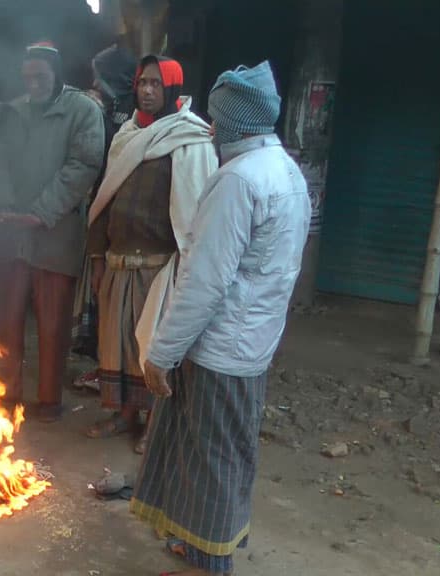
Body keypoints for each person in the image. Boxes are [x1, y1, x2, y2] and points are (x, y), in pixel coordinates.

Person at [132, 61, 310, 576]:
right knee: (214, 451)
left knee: (210, 460)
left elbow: (205, 281)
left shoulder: (238, 180)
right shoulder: (286, 172)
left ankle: (209, 565)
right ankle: (197, 547)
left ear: (236, 122)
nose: (210, 128)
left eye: (218, 118)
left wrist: (161, 353)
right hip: (251, 344)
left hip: (219, 349)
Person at [84, 56, 217, 454]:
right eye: (142, 82)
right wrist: (96, 257)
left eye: (156, 84)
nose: (146, 90)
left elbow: (196, 209)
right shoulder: (126, 135)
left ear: (172, 89)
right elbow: (103, 198)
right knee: (117, 342)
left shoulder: (191, 139)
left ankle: (155, 424)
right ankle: (124, 414)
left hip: (160, 266)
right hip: (118, 261)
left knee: (152, 347)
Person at [0, 42, 105, 422]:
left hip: (56, 234)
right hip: (14, 235)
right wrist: (6, 206)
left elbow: (84, 165)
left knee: (53, 323)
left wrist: (41, 212)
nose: (33, 84)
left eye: (41, 77)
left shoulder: (83, 111)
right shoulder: (12, 112)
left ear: (57, 76)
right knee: (7, 321)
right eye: (27, 78)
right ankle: (8, 394)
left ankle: (49, 401)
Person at [72, 43, 138, 386]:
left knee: (116, 298)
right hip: (102, 213)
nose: (96, 85)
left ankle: (115, 370)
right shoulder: (108, 107)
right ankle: (104, 366)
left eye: (100, 78)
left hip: (124, 222)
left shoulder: (131, 114)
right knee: (101, 292)